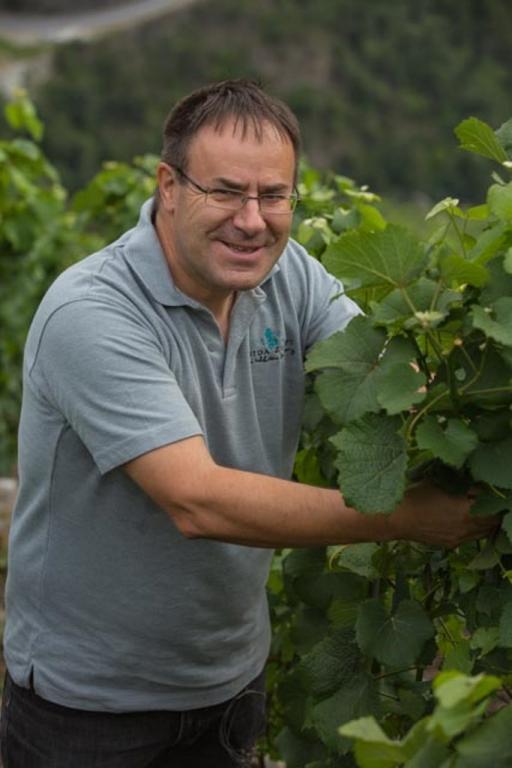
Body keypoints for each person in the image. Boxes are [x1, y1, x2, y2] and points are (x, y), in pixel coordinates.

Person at [1, 79, 496, 768]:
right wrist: (408, 516)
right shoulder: (91, 313)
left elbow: (388, 371)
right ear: (169, 187)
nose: (252, 220)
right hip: (92, 707)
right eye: (226, 192)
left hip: (231, 680)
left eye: (274, 196)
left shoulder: (289, 276)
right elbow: (196, 500)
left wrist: (461, 394)